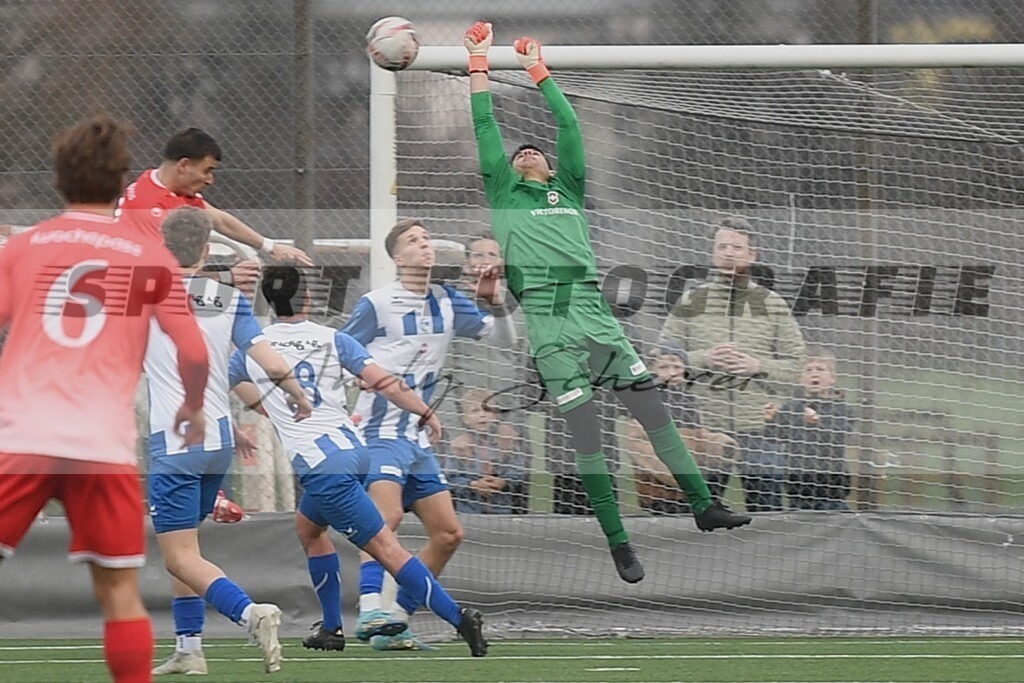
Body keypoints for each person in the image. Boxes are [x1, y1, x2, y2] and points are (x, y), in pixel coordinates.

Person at [464, 21, 751, 583]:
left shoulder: (566, 188)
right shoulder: (502, 189)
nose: (527, 150)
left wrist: (537, 70)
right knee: (588, 438)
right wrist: (478, 61)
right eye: (520, 150)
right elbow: (483, 122)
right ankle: (619, 543)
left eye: (537, 151)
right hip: (547, 322)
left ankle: (703, 506)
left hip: (595, 314)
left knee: (652, 414)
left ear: (552, 168)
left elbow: (567, 122)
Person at [0, 113, 210, 683]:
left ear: (58, 180)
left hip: (22, 437)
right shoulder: (151, 256)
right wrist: (192, 405)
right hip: (101, 445)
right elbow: (192, 350)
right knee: (119, 592)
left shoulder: (24, 247)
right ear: (123, 185)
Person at [229, 265, 489, 657]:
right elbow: (386, 382)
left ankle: (459, 618)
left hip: (323, 466)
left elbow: (229, 388)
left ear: (267, 301)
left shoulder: (253, 349)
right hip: (354, 451)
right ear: (309, 300)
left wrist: (253, 420)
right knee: (309, 529)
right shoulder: (334, 339)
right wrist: (424, 411)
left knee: (387, 547)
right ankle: (332, 628)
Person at [144, 208, 313, 676]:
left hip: (176, 442)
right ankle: (189, 648)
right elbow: (270, 362)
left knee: (178, 555)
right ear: (205, 251)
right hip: (218, 441)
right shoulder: (226, 298)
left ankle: (248, 612)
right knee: (188, 551)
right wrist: (297, 395)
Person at [341, 218, 515, 650]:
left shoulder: (448, 300)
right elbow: (341, 351)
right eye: (414, 241)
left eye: (426, 239)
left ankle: (397, 619)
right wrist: (360, 377)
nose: (425, 246)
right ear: (398, 258)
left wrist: (497, 301)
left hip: (418, 437)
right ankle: (368, 609)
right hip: (379, 430)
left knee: (448, 534)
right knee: (385, 520)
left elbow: (505, 340)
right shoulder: (377, 303)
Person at [660, 217, 806, 512]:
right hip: (704, 431)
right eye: (722, 246)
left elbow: (797, 365)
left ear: (752, 255)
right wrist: (704, 359)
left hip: (760, 431)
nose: (728, 252)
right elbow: (663, 361)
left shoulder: (772, 304)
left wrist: (758, 365)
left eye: (736, 247)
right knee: (701, 513)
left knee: (768, 515)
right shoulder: (690, 301)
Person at [117, 127, 313, 292]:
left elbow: (219, 220)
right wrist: (227, 277)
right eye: (207, 170)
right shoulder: (148, 207)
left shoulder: (168, 188)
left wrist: (270, 246)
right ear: (183, 165)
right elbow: (162, 274)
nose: (210, 180)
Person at [630, 345, 738, 514]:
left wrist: (720, 445)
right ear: (651, 370)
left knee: (724, 452)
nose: (671, 373)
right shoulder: (645, 399)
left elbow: (700, 438)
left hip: (689, 469)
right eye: (664, 367)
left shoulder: (688, 399)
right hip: (662, 487)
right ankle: (703, 498)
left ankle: (709, 500)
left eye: (677, 367)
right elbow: (641, 444)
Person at [765, 346, 853, 510]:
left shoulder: (841, 408)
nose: (814, 373)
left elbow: (841, 435)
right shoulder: (791, 408)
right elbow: (775, 437)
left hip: (832, 492)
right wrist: (772, 420)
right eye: (808, 370)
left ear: (832, 378)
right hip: (799, 492)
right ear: (800, 379)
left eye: (820, 369)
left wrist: (817, 422)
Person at [445, 387, 530, 514]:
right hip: (469, 512)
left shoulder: (506, 443)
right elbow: (449, 478)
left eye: (487, 409)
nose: (482, 414)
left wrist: (504, 481)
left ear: (496, 415)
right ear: (465, 419)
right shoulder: (459, 446)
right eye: (475, 411)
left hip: (501, 511)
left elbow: (519, 470)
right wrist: (473, 484)